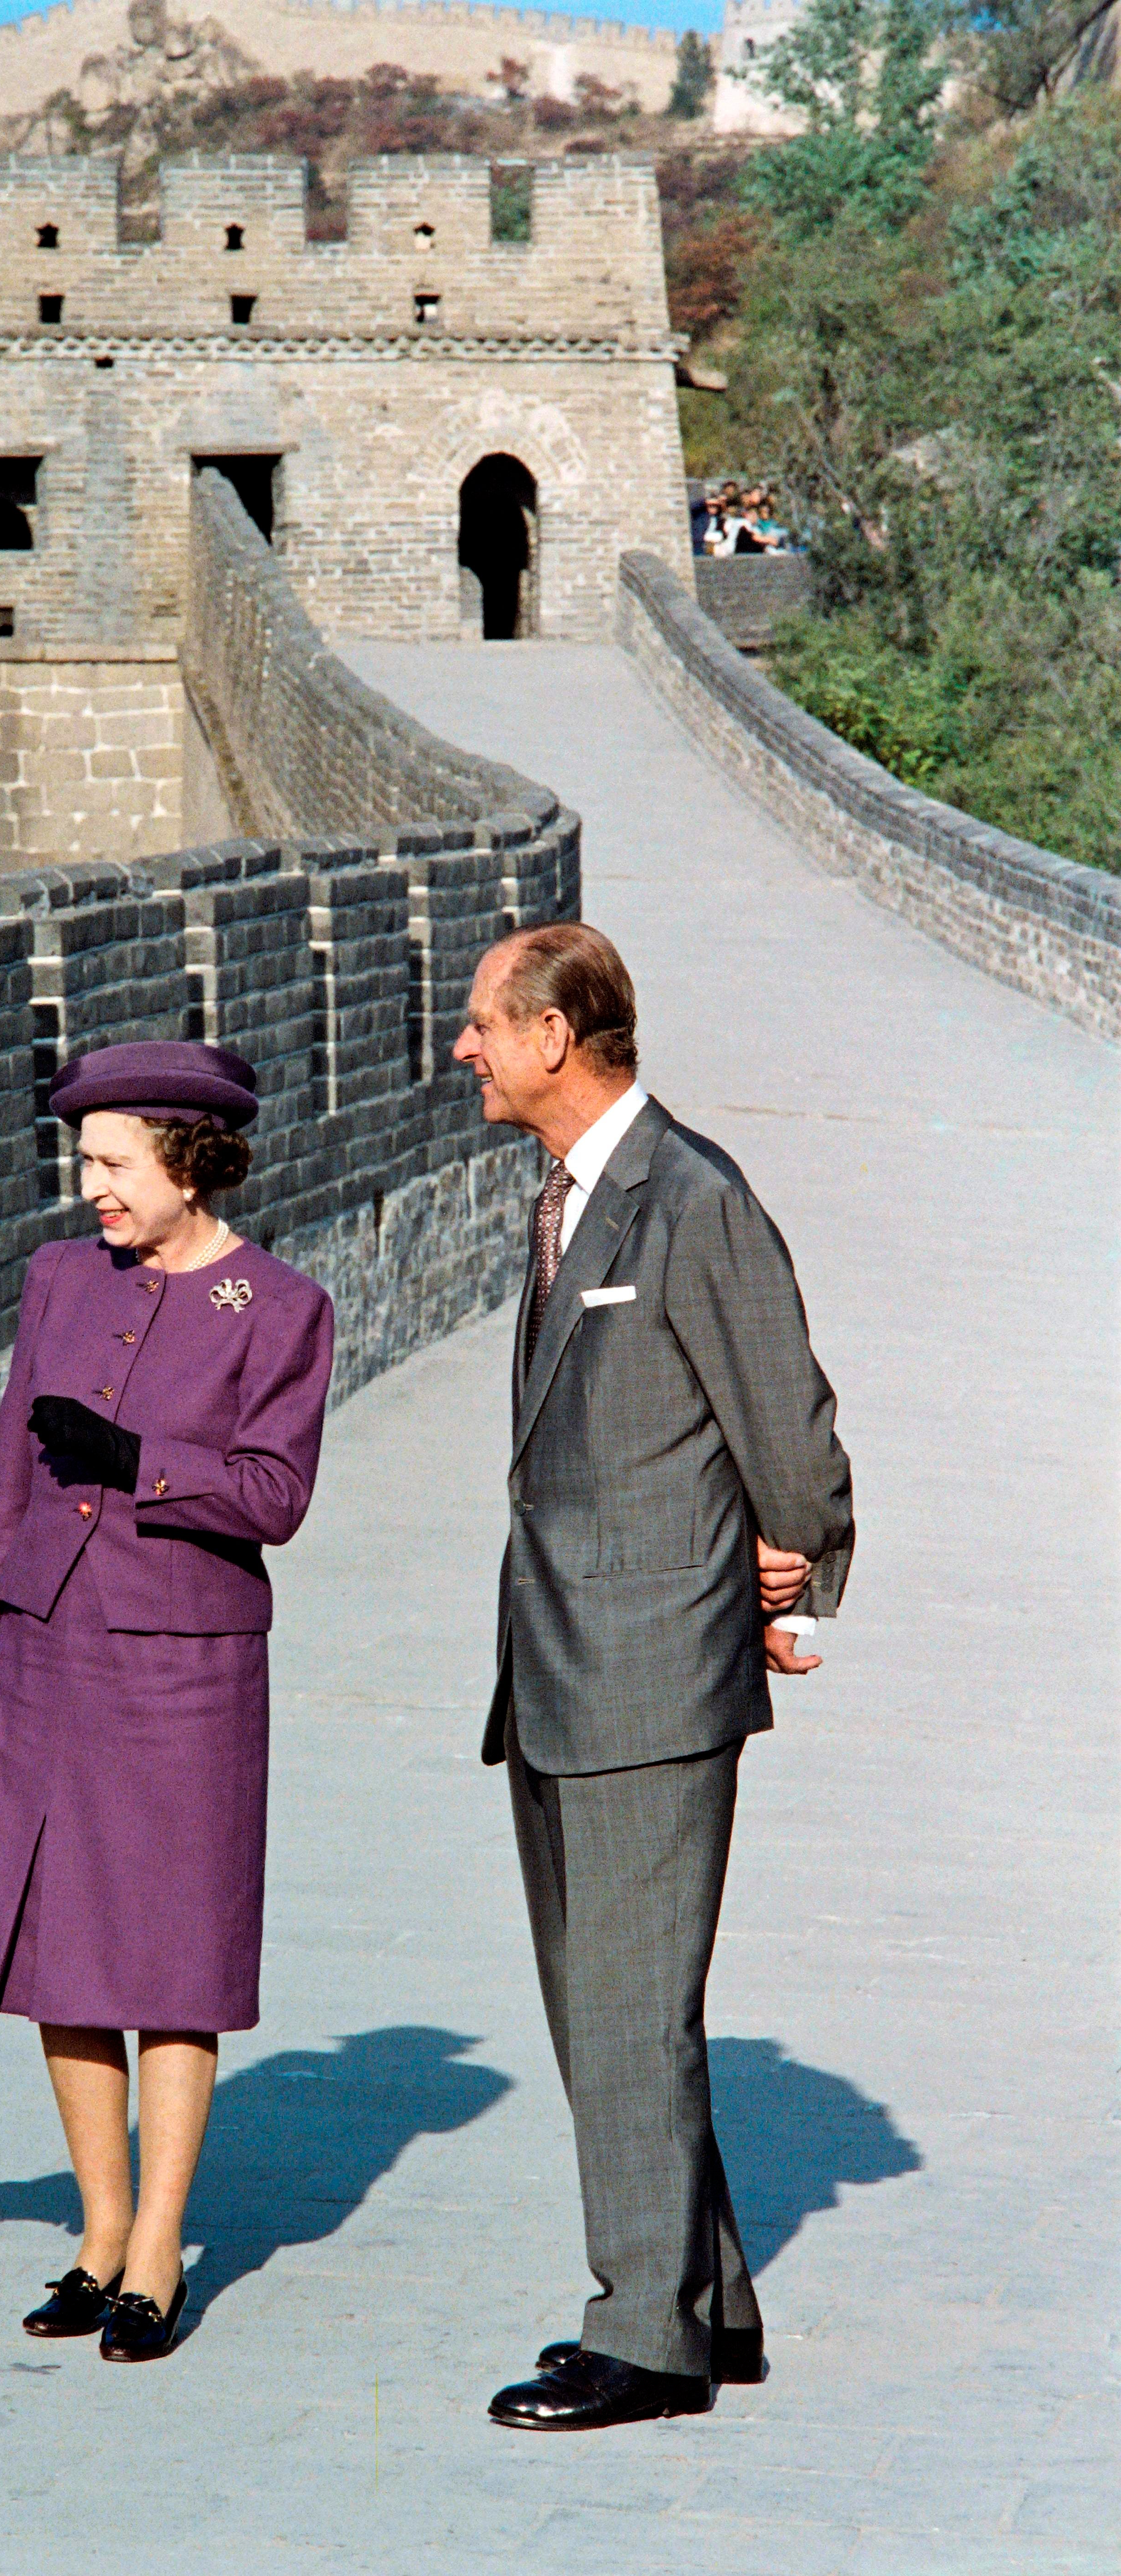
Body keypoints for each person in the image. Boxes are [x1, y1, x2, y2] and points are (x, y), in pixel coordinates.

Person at [451, 924, 854, 2433]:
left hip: (648, 1675)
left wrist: (794, 1579)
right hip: (555, 1666)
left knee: (626, 2008)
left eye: (483, 1024)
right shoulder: (568, 1197)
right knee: (600, 2008)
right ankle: (709, 2305)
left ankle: (645, 2343)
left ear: (557, 1036)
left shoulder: (692, 1201)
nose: (465, 1050)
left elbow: (792, 1433)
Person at [0, 1039, 335, 2364]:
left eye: (113, 1164)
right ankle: (98, 2235)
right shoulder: (60, 1279)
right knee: (61, 1948)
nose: (89, 1189)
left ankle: (162, 2250)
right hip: (51, 1649)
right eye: (82, 1161)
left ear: (189, 1159)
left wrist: (141, 1463)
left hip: (186, 1670)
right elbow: (10, 1468)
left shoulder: (280, 1308)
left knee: (171, 1958)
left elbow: (277, 1498)